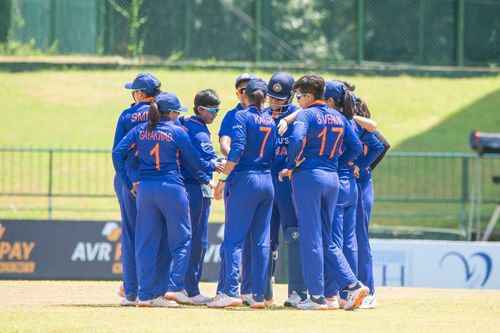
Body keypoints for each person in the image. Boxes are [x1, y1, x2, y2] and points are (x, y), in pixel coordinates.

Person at [112, 92, 216, 307]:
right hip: (171, 188)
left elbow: (117, 153)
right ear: (173, 113)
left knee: (145, 242)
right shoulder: (176, 131)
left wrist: (129, 181)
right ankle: (174, 288)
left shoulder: (141, 130)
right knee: (182, 240)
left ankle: (146, 295)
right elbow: (194, 161)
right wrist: (212, 168)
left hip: (146, 190)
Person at [278, 74, 368, 310]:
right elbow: (356, 147)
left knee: (311, 236)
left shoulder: (306, 114)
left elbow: (297, 138)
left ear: (309, 96)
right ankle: (353, 285)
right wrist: (337, 162)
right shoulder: (338, 116)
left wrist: (291, 164)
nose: (297, 101)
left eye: (299, 96)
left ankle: (316, 297)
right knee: (327, 237)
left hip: (309, 177)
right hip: (333, 178)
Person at [208, 78, 276, 309]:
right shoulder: (270, 119)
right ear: (265, 97)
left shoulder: (241, 116)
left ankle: (229, 291)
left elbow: (236, 149)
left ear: (244, 94)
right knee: (260, 241)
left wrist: (223, 179)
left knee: (234, 239)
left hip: (245, 179)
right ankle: (258, 296)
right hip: (267, 180)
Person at [323, 80, 383, 306]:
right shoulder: (347, 121)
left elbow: (380, 144)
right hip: (350, 182)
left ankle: (362, 292)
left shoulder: (348, 121)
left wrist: (359, 165)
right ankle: (351, 290)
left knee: (354, 239)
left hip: (353, 183)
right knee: (350, 240)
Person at [112, 72, 161, 306]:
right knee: (155, 235)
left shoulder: (127, 115)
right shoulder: (162, 112)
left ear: (140, 93)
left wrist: (128, 181)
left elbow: (117, 152)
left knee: (131, 235)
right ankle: (152, 291)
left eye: (134, 90)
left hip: (130, 179)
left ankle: (131, 292)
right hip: (158, 180)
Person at [264, 71, 307, 307]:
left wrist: (289, 119)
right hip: (266, 181)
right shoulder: (261, 115)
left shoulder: (298, 115)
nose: (274, 102)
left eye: (280, 99)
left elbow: (313, 110)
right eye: (271, 97)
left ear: (290, 97)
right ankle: (263, 290)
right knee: (267, 238)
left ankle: (297, 292)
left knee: (294, 234)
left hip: (287, 182)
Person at [179, 89, 224, 305]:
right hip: (196, 188)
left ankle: (178, 286)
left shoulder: (185, 123)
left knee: (184, 238)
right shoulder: (198, 131)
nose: (216, 114)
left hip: (187, 186)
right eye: (213, 110)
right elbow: (207, 161)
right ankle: (191, 290)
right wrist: (220, 165)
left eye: (218, 110)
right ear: (200, 110)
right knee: (197, 240)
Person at [215, 73, 255, 303]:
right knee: (238, 234)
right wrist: (237, 158)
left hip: (246, 177)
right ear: (236, 92)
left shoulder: (265, 114)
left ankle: (248, 290)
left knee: (253, 239)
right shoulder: (232, 116)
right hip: (240, 175)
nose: (245, 92)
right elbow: (224, 144)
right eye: (241, 89)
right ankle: (233, 289)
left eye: (248, 88)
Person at [353, 96, 390, 309]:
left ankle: (370, 291)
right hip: (354, 183)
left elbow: (383, 144)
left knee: (360, 238)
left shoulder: (363, 127)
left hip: (361, 185)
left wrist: (364, 167)